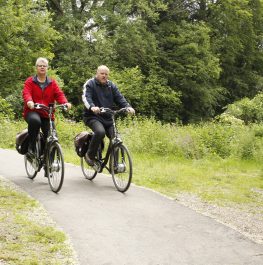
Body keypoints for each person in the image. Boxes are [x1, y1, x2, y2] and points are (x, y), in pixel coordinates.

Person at [82, 65, 135, 165]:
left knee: (115, 138)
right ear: (97, 73)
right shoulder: (90, 84)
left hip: (108, 118)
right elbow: (86, 97)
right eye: (102, 73)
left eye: (106, 74)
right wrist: (92, 107)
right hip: (93, 116)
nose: (104, 76)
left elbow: (120, 98)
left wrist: (128, 106)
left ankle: (114, 164)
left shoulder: (111, 86)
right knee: (100, 132)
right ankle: (90, 155)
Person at [22, 57, 71, 157]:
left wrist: (65, 103)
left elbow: (59, 94)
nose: (42, 67)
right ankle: (31, 146)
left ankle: (49, 163)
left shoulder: (52, 83)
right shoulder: (30, 81)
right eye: (40, 66)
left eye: (44, 66)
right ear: (36, 68)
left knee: (52, 136)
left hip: (47, 113)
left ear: (47, 68)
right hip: (33, 111)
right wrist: (29, 101)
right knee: (35, 121)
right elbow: (26, 93)